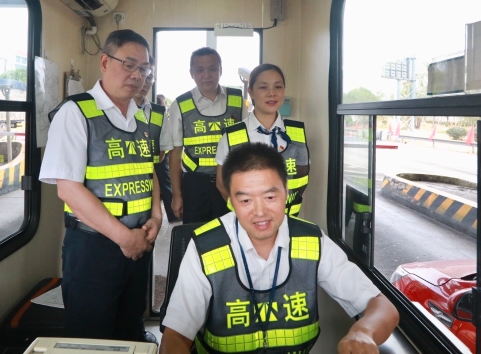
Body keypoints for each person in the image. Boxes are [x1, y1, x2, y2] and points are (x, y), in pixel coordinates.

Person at [160, 143, 399, 354]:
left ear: (286, 192)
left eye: (270, 197)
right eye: (245, 200)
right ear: (230, 201)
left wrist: (363, 332)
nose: (260, 212)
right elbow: (174, 337)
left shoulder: (312, 241)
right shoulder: (206, 246)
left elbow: (382, 306)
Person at [39, 29, 162, 341]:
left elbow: (149, 171)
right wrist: (125, 238)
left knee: (130, 329)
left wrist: (156, 217)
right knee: (91, 337)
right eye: (129, 65)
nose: (137, 75)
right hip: (94, 249)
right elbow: (68, 189)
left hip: (138, 244)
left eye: (144, 68)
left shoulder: (141, 118)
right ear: (105, 62)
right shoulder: (76, 112)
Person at [162, 47, 244, 223]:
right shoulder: (180, 104)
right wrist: (177, 194)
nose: (207, 75)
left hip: (231, 181)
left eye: (212, 69)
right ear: (191, 73)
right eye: (200, 70)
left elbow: (247, 146)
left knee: (231, 231)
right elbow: (175, 153)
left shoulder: (237, 100)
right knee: (196, 233)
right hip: (195, 185)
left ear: (220, 70)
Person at [215, 64, 309, 217]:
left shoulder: (297, 133)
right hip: (250, 221)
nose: (272, 93)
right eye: (263, 87)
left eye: (278, 87)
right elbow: (222, 184)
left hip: (288, 220)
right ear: (250, 92)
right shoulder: (232, 137)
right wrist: (247, 214)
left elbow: (301, 178)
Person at [133, 56, 177, 223]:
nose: (144, 81)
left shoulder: (159, 112)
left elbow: (162, 153)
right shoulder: (111, 110)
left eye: (149, 76)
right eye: (140, 73)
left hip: (150, 182)